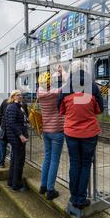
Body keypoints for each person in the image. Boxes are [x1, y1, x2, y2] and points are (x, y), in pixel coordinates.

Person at [57, 60, 103, 209]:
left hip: (71, 133)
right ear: (85, 70)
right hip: (89, 133)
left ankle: (73, 196)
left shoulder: (65, 88)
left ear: (71, 71)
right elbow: (99, 109)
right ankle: (81, 199)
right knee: (85, 164)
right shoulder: (93, 87)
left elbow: (61, 109)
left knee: (74, 163)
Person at [37, 67, 67, 201]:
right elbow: (69, 82)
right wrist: (62, 71)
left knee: (47, 158)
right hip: (57, 131)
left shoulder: (39, 92)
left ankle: (43, 186)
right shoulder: (56, 92)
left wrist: (54, 74)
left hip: (46, 131)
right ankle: (50, 190)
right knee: (54, 160)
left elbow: (46, 84)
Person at [5, 90, 29, 192]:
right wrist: (21, 136)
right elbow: (12, 123)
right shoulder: (12, 107)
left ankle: (11, 181)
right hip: (16, 138)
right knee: (19, 161)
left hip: (16, 138)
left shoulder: (18, 106)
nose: (20, 97)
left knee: (15, 160)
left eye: (21, 95)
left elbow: (20, 121)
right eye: (18, 95)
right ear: (13, 96)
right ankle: (17, 185)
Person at [0, 98, 9, 167]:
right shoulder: (21, 103)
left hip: (4, 128)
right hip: (12, 130)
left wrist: (2, 124)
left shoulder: (5, 101)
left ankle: (1, 162)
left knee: (2, 144)